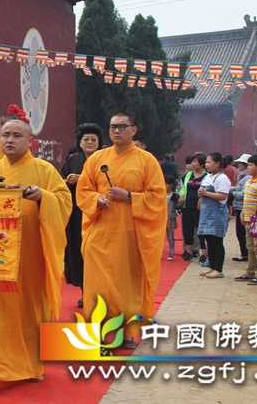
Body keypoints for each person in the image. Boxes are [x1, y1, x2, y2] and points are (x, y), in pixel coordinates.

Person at [0, 118, 72, 390]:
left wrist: (44, 197)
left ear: (30, 141)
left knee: (29, 311)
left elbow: (64, 203)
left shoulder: (44, 170)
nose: (9, 140)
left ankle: (31, 365)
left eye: (17, 136)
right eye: (6, 135)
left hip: (30, 255)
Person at [77, 112, 166, 349]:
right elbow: (84, 189)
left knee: (127, 284)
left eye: (122, 126)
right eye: (113, 126)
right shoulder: (97, 158)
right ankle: (96, 332)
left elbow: (158, 198)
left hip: (130, 233)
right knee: (96, 283)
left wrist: (129, 197)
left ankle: (127, 332)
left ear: (133, 130)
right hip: (101, 230)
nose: (116, 131)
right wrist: (97, 200)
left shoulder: (147, 161)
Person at [59, 123, 103, 307]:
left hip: (98, 215)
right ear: (80, 142)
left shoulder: (105, 161)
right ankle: (86, 294)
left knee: (97, 255)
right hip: (76, 216)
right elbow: (58, 184)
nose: (90, 142)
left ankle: (100, 296)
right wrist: (67, 181)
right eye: (86, 139)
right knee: (79, 254)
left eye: (94, 139)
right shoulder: (72, 161)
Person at [197, 153, 231, 279]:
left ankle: (219, 269)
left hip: (216, 214)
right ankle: (211, 266)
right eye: (206, 162)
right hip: (206, 214)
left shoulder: (222, 179)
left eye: (209, 162)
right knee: (209, 241)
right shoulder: (207, 177)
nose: (207, 165)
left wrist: (206, 193)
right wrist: (201, 193)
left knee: (217, 241)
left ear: (218, 163)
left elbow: (223, 196)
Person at [234, 154, 257, 285]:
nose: (248, 168)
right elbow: (246, 201)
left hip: (255, 221)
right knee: (250, 247)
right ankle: (250, 272)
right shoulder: (248, 182)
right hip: (247, 219)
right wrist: (242, 213)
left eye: (251, 165)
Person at [179, 152, 208, 263]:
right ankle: (189, 252)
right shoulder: (188, 175)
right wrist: (182, 196)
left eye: (195, 162)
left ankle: (203, 254)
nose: (193, 164)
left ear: (202, 164)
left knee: (200, 231)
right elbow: (183, 189)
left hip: (200, 208)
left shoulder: (207, 176)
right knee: (187, 230)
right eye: (192, 162)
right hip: (187, 207)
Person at [230, 154, 251, 262]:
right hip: (238, 206)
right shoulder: (242, 176)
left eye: (240, 164)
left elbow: (244, 193)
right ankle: (244, 253)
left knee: (242, 232)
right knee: (240, 232)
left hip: (243, 207)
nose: (238, 166)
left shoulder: (248, 177)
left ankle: (246, 253)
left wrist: (233, 192)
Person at [165, 174, 179, 261]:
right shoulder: (160, 194)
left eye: (166, 184)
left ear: (171, 185)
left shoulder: (174, 196)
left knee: (170, 236)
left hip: (171, 217)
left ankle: (171, 252)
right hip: (161, 218)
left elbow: (178, 206)